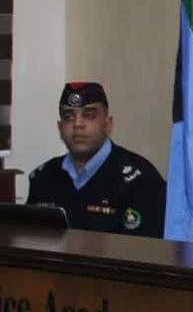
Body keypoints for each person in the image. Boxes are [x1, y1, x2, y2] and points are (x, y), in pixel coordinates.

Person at [27, 82, 166, 237]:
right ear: (60, 128)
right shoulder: (43, 178)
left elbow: (146, 249)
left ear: (107, 124)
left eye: (89, 115)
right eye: (68, 117)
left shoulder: (141, 180)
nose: (77, 124)